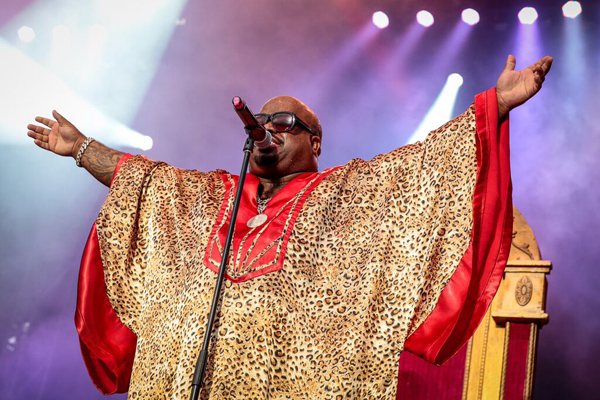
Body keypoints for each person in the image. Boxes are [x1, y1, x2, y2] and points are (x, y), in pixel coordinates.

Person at [27, 55, 552, 399]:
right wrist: (81, 149)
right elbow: (144, 181)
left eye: (283, 123)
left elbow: (425, 166)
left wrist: (497, 104)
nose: (267, 129)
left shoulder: (349, 194)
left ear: (314, 143)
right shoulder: (213, 195)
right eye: (260, 122)